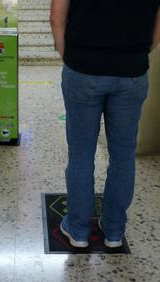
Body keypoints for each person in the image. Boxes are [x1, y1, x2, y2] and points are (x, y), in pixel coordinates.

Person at [50, 0, 160, 248]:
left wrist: (68, 55)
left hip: (83, 68)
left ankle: (78, 230)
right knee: (123, 156)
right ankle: (113, 230)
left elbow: (56, 17)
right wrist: (136, 55)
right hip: (132, 71)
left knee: (80, 155)